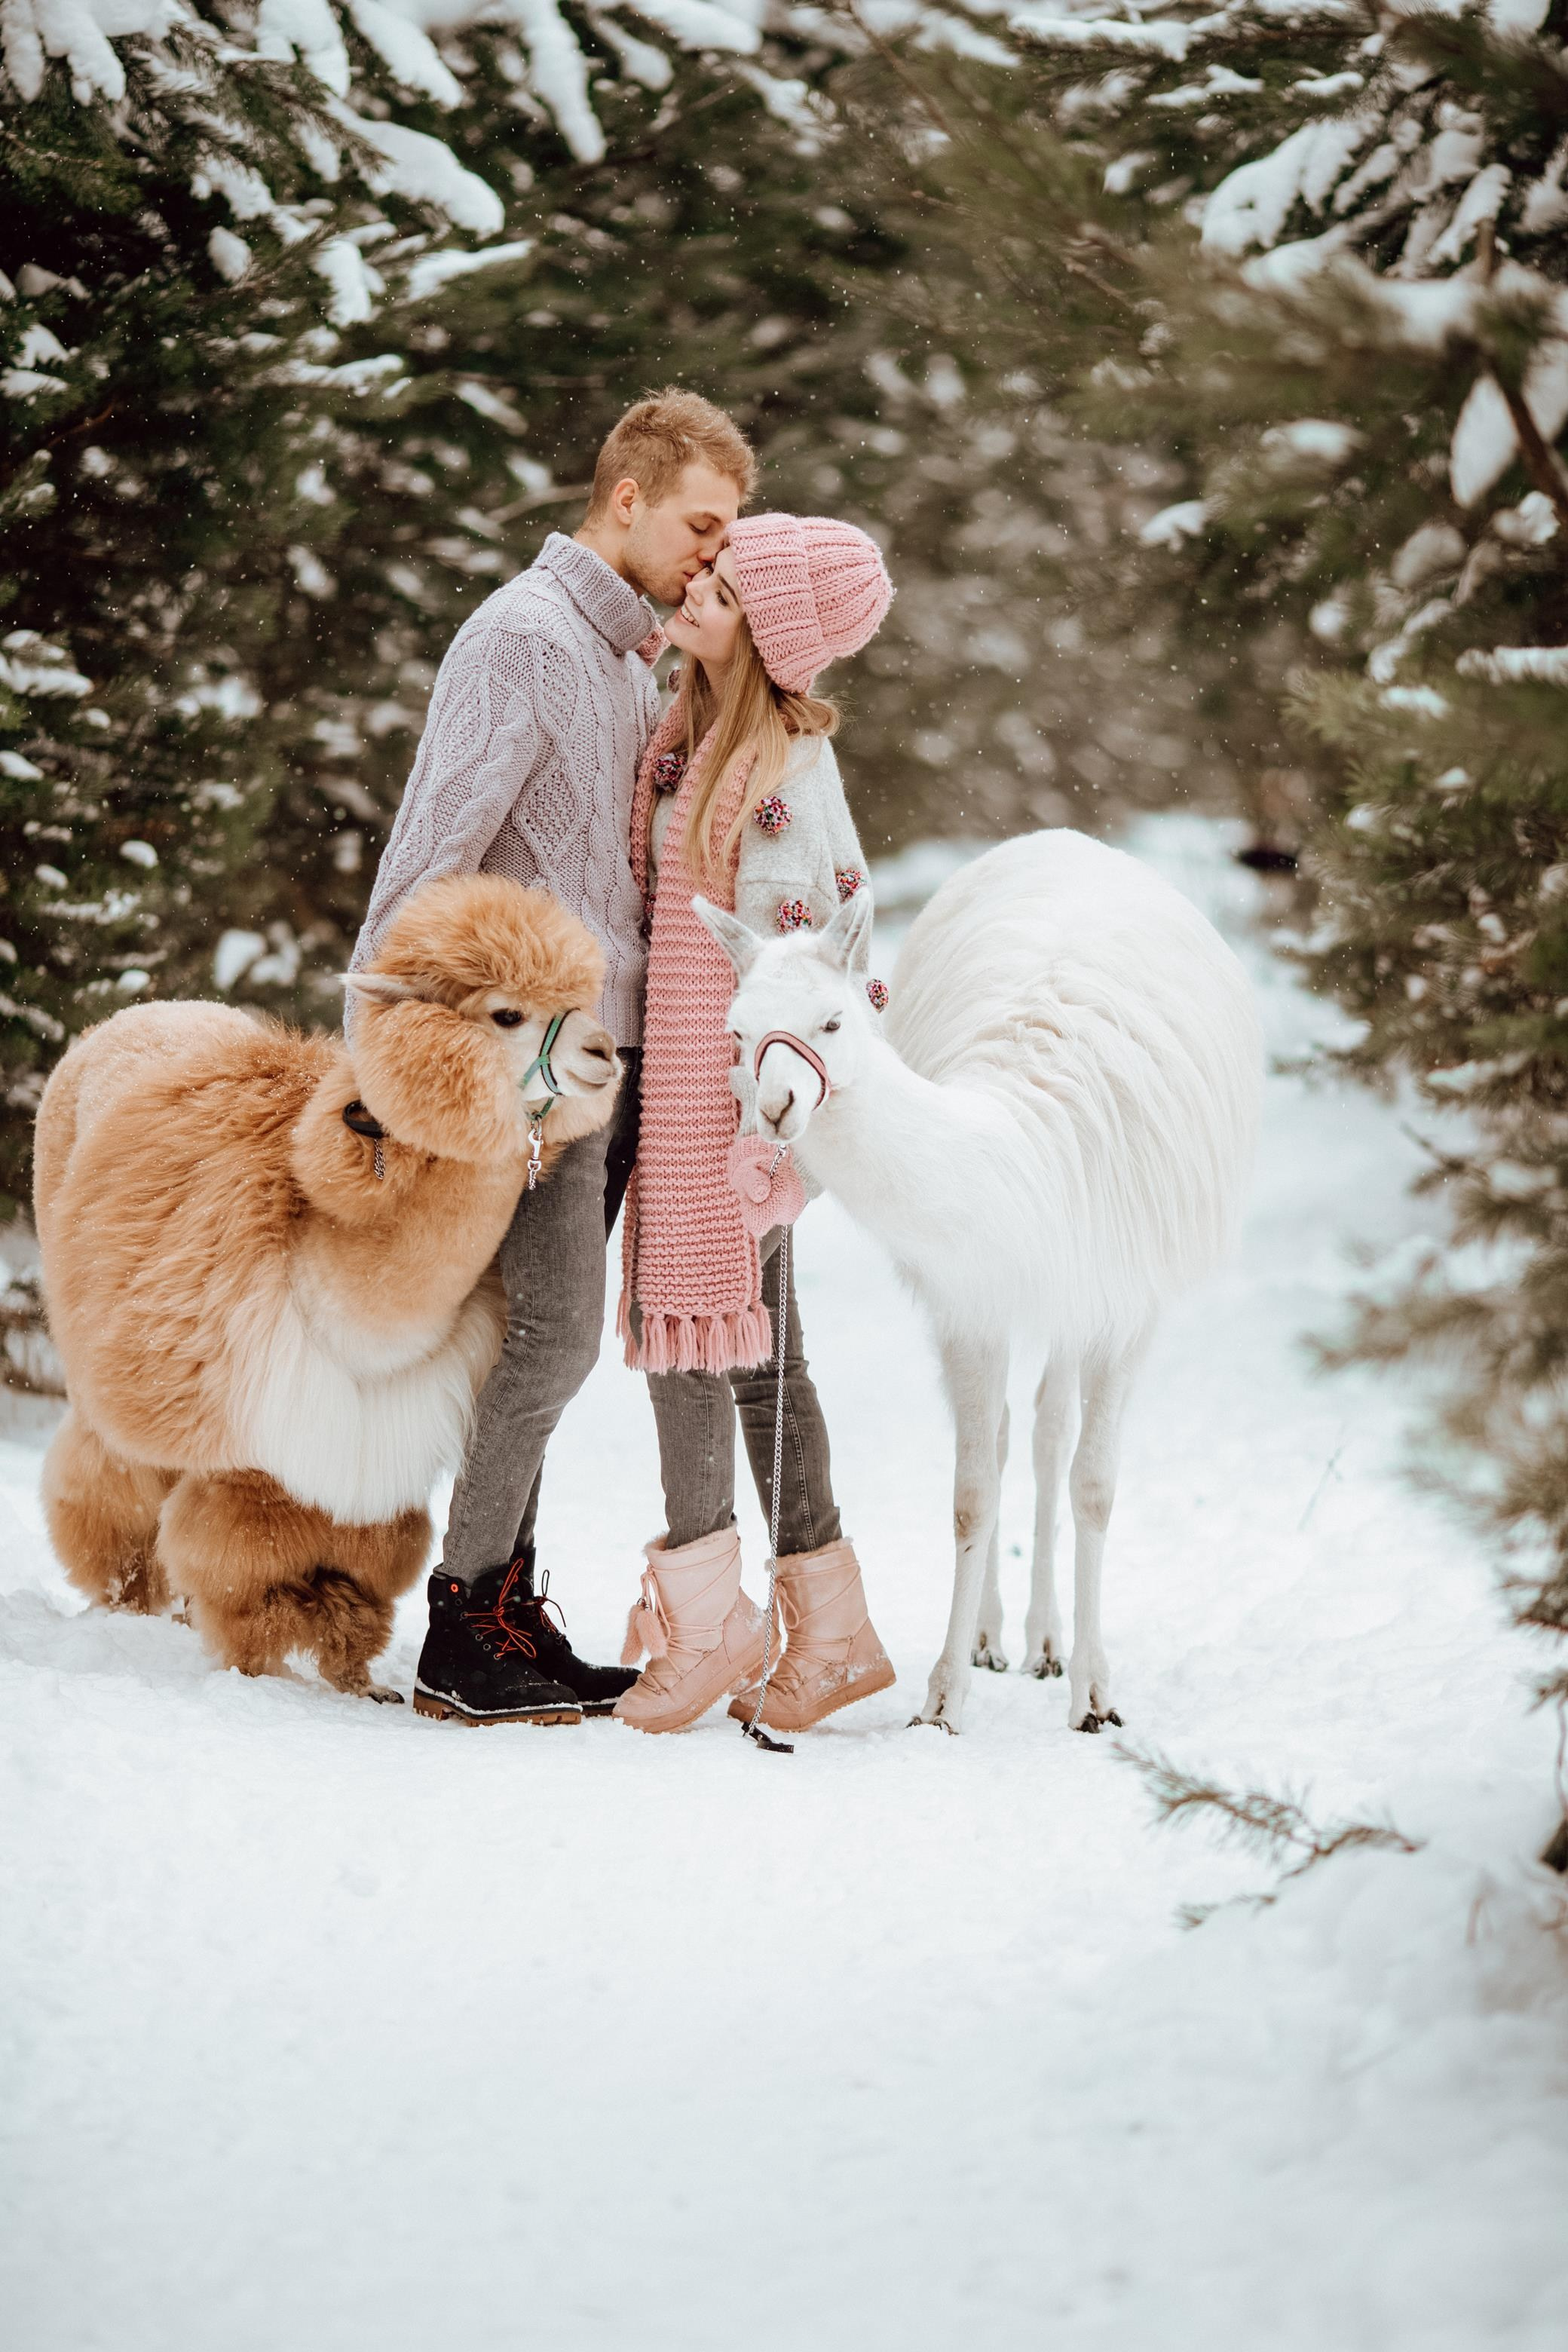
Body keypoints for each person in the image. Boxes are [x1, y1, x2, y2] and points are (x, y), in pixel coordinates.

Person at [350, 390, 756, 1727]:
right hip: (533, 1069)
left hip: (621, 1059)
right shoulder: (520, 639)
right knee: (554, 1341)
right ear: (625, 498)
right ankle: (462, 1629)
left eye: (732, 530)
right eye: (703, 522)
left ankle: (507, 1608)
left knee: (546, 1343)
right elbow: (427, 853)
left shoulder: (630, 661)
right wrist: (381, 1056)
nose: (717, 552)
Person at [614, 514, 898, 1735]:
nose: (697, 591)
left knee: (703, 1344)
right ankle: (827, 1628)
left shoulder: (781, 775)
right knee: (761, 1361)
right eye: (708, 571)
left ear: (770, 636)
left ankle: (715, 1615)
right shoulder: (694, 736)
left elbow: (806, 978)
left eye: (724, 589)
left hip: (727, 1123)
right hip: (684, 1090)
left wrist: (764, 1147)